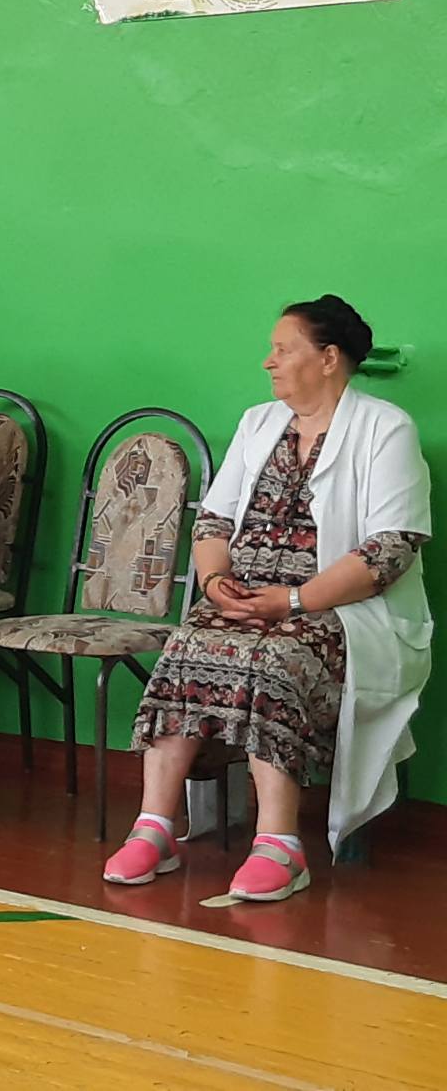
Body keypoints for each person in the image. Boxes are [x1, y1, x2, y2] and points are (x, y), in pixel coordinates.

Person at [104, 296, 431, 902]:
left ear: (328, 358)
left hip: (341, 610)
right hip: (244, 596)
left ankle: (279, 844)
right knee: (187, 645)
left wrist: (295, 601)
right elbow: (213, 522)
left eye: (283, 349)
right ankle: (154, 827)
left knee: (272, 659)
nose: (268, 361)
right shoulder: (259, 423)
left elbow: (390, 550)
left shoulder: (386, 429)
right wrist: (213, 584)